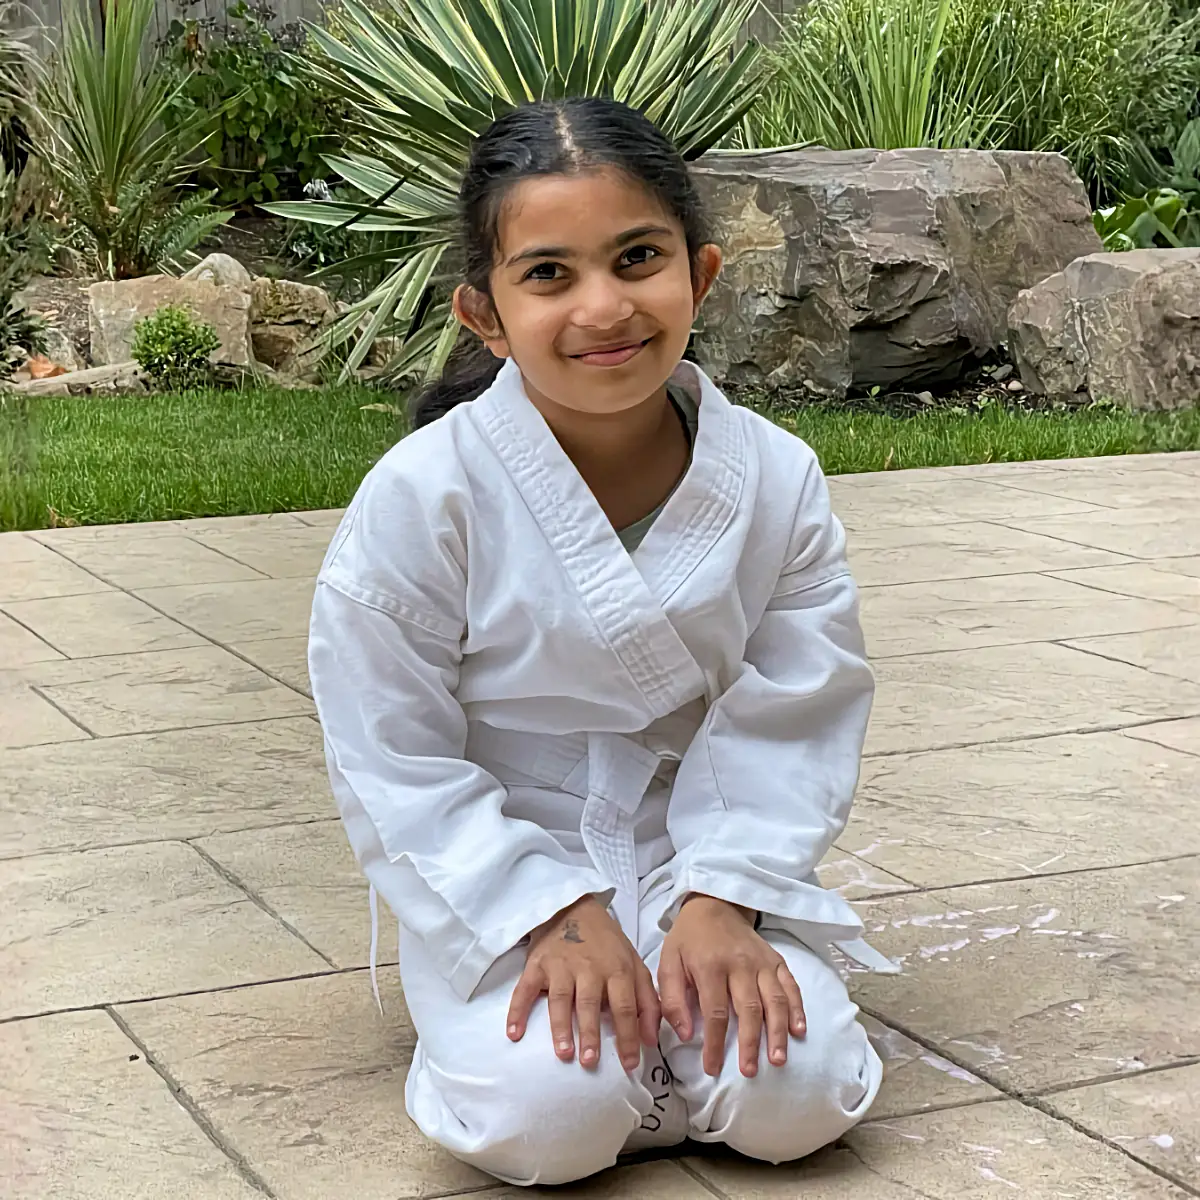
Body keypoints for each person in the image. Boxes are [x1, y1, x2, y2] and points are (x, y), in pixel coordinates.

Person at [308, 96, 895, 1188]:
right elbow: (389, 747)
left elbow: (798, 703)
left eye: (638, 257)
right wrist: (551, 912)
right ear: (482, 316)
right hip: (500, 858)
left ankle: (705, 977)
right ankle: (483, 1037)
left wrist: (725, 898)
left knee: (797, 1095)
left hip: (701, 843)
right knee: (550, 1116)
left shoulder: (776, 479)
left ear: (701, 274)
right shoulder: (426, 494)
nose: (604, 306)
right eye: (548, 274)